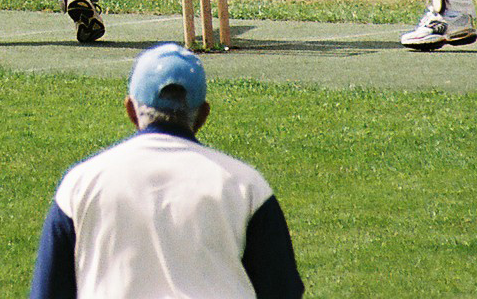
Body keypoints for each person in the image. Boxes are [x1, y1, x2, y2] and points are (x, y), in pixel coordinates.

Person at [30, 43, 304, 299]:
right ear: (203, 115)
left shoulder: (81, 184)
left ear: (130, 110)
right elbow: (282, 290)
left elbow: (48, 291)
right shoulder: (245, 186)